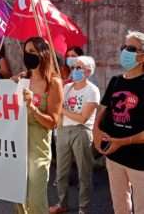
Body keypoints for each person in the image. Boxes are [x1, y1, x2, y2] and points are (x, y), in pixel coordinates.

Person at [93, 30, 144, 214]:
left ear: (143, 56)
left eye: (131, 48)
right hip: (114, 158)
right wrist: (96, 133)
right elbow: (103, 109)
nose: (125, 52)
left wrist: (119, 143)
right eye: (124, 47)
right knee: (120, 207)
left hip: (139, 161)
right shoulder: (115, 81)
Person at [14, 37, 63, 214]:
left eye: (33, 52)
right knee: (18, 197)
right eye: (26, 51)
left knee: (36, 200)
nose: (28, 55)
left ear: (43, 54)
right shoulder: (22, 79)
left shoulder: (53, 83)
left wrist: (32, 108)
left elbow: (53, 122)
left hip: (38, 148)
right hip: (17, 144)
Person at [49, 56, 100, 214]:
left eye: (79, 67)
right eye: (74, 67)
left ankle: (83, 208)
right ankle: (62, 204)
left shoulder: (92, 90)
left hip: (81, 131)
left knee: (84, 173)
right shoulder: (67, 88)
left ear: (88, 71)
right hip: (64, 131)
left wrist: (62, 110)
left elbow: (83, 117)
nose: (75, 70)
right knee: (61, 172)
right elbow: (56, 104)